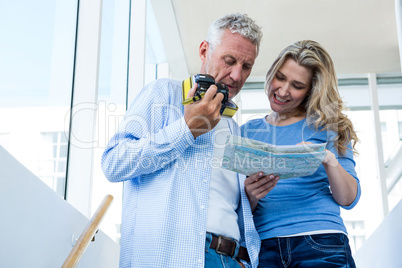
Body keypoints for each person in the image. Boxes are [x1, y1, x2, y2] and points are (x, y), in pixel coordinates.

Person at [102, 13, 276, 268]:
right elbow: (114, 163)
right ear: (205, 51)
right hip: (174, 258)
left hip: (232, 259)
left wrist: (248, 197)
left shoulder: (234, 129)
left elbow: (224, 207)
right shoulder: (161, 94)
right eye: (229, 60)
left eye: (246, 66)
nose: (237, 75)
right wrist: (186, 129)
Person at [242, 40, 361, 267]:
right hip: (264, 247)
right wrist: (251, 196)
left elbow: (348, 199)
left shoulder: (328, 126)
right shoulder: (246, 132)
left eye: (297, 85)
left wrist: (327, 159)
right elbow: (237, 208)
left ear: (310, 91)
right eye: (280, 77)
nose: (283, 90)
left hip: (321, 240)